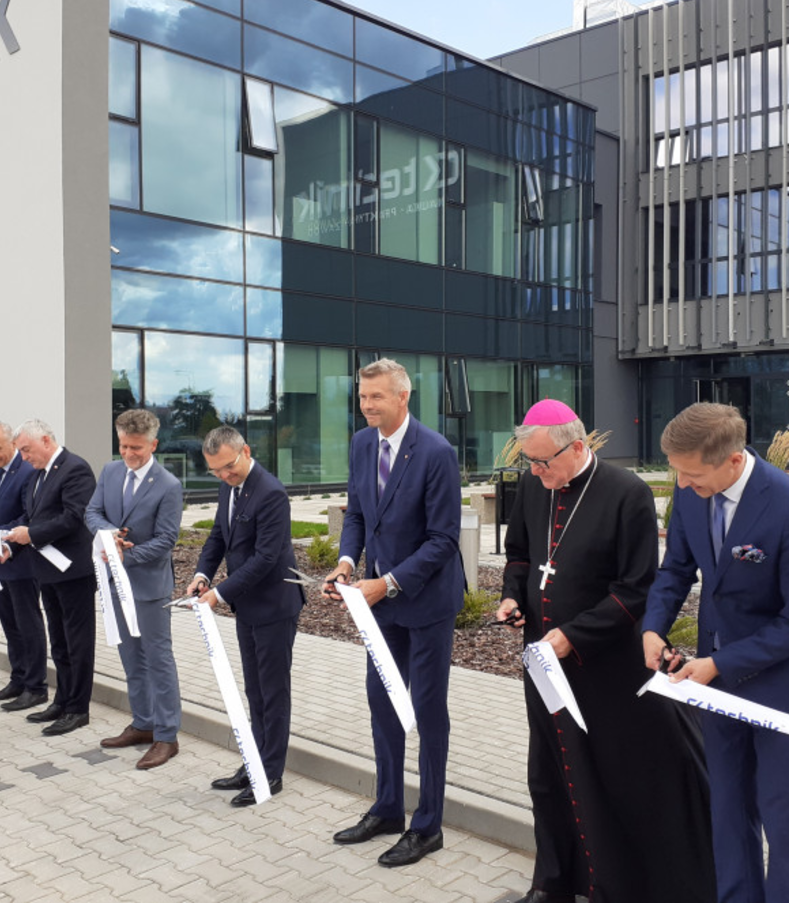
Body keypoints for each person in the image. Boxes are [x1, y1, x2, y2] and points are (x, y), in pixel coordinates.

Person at [496, 400, 715, 903]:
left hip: (606, 666)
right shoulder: (533, 485)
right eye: (529, 462)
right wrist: (513, 597)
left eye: (543, 462)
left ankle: (611, 887)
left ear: (577, 448)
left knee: (604, 775)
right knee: (548, 774)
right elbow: (521, 556)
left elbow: (636, 588)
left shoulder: (626, 493)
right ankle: (552, 882)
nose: (535, 472)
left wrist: (574, 634)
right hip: (544, 662)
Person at [641, 402, 789, 903]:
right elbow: (676, 569)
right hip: (718, 690)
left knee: (785, 826)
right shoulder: (690, 492)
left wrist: (718, 663)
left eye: (692, 474)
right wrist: (653, 628)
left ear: (732, 460)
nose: (682, 484)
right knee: (728, 815)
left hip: (785, 690)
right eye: (677, 473)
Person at [324, 359, 465, 867]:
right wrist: (346, 564)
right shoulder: (362, 444)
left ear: (403, 397)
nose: (366, 405)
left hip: (426, 604)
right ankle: (387, 809)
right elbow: (358, 515)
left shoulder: (436, 452)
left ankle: (427, 826)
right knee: (382, 705)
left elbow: (443, 539)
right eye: (362, 397)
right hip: (378, 606)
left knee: (427, 713)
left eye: (376, 397)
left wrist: (386, 583)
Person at [188, 426, 303, 806]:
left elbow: (265, 558)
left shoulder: (271, 493)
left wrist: (219, 594)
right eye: (215, 471)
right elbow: (218, 537)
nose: (224, 475)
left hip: (274, 606)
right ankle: (253, 762)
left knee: (273, 693)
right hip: (248, 606)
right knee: (254, 691)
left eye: (228, 467)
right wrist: (202, 575)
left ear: (246, 452)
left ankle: (270, 774)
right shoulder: (229, 486)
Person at [86, 409, 184, 770]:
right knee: (130, 657)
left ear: (153, 445)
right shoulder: (110, 471)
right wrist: (109, 535)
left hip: (149, 587)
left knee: (158, 660)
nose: (128, 453)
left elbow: (167, 539)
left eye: (136, 448)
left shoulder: (168, 485)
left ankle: (166, 736)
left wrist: (127, 556)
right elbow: (92, 512)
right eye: (124, 446)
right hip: (114, 583)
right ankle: (143, 724)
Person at [0, 419, 96, 737]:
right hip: (47, 570)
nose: (24, 457)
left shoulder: (75, 469)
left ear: (45, 440)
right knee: (59, 641)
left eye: (27, 450)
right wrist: (11, 545)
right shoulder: (37, 474)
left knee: (78, 642)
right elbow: (30, 517)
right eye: (21, 452)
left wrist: (32, 535)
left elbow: (73, 517)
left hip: (74, 572)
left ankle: (78, 708)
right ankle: (62, 700)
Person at [0, 422, 48, 712]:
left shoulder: (27, 471)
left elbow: (26, 517)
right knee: (9, 623)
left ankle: (36, 686)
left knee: (27, 625)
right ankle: (18, 679)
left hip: (22, 561)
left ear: (13, 444)